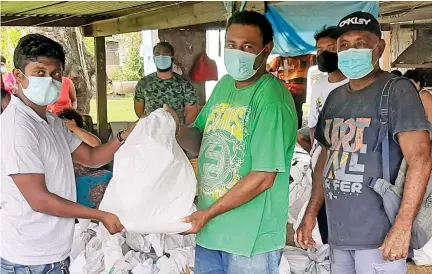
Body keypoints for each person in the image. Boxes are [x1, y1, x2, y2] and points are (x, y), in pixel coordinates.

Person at [297, 11, 431, 274]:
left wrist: (403, 227)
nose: (351, 50)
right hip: (340, 232)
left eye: (361, 43)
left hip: (381, 237)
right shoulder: (335, 98)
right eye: (344, 45)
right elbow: (326, 157)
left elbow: (421, 158)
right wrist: (311, 212)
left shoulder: (397, 91)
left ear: (378, 47)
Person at [164, 11, 297, 273]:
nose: (238, 53)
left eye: (248, 47)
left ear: (266, 50)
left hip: (249, 240)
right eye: (232, 45)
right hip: (212, 232)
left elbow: (263, 177)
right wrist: (175, 127)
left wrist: (207, 214)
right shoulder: (225, 85)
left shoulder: (271, 99)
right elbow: (199, 137)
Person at [0, 34, 134, 272]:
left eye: (56, 74)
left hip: (54, 252)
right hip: (28, 259)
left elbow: (92, 158)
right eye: (40, 72)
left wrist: (124, 137)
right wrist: (99, 214)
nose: (49, 80)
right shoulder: (17, 127)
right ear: (18, 77)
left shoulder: (52, 122)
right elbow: (39, 200)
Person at [303, 25, 349, 244]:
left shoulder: (353, 83)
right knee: (324, 217)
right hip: (321, 163)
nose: (324, 54)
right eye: (319, 50)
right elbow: (313, 125)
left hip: (348, 164)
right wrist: (315, 159)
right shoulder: (319, 84)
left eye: (330, 48)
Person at [134, 41, 199, 125]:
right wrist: (148, 126)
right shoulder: (143, 83)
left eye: (165, 54)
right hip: (151, 132)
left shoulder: (184, 85)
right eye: (157, 54)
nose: (161, 56)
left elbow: (192, 113)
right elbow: (139, 111)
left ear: (172, 58)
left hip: (175, 134)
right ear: (154, 58)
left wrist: (180, 130)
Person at [58, 108, 112, 209]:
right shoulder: (56, 137)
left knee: (107, 176)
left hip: (89, 176)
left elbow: (97, 144)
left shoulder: (80, 136)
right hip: (69, 180)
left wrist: (74, 129)